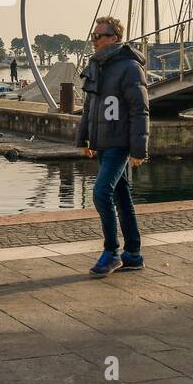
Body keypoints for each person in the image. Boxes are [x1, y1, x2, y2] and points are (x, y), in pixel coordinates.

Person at [76, 15, 150, 277]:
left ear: (114, 39)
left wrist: (139, 149)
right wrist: (84, 139)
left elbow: (139, 110)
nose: (93, 41)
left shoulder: (130, 67)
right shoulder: (97, 66)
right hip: (102, 143)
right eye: (93, 36)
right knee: (121, 197)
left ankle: (111, 252)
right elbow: (89, 107)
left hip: (119, 142)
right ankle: (133, 254)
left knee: (100, 193)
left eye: (98, 36)